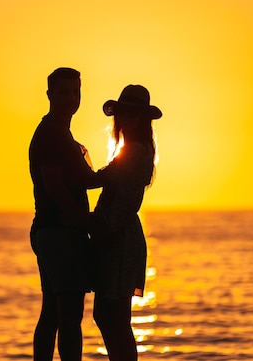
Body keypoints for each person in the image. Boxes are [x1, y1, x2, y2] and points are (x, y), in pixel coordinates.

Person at [89, 84, 162, 361]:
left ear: (143, 119)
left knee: (113, 317)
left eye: (134, 113)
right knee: (112, 316)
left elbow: (109, 187)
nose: (128, 118)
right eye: (124, 113)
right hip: (117, 234)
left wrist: (100, 226)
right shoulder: (135, 149)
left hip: (118, 236)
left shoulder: (134, 151)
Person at [29, 67, 96, 361]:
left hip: (55, 232)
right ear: (49, 95)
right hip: (59, 233)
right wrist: (84, 219)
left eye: (75, 91)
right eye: (64, 92)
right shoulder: (51, 134)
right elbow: (53, 186)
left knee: (54, 313)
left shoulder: (62, 134)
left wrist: (116, 172)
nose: (71, 98)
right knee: (68, 315)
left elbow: (87, 179)